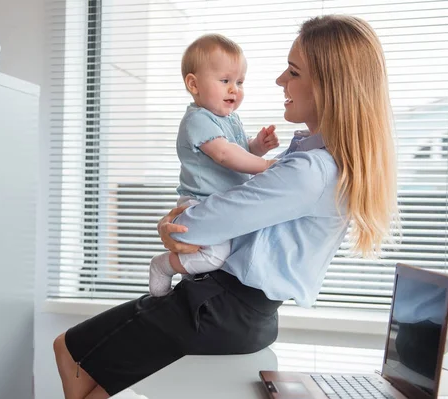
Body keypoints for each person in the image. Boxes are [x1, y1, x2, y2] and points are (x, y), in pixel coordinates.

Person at [53, 14, 399, 399]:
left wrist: (171, 224)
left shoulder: (311, 170)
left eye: (293, 72)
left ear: (327, 86)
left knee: (69, 350)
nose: (280, 81)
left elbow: (195, 229)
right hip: (231, 306)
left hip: (220, 306)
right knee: (91, 377)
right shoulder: (312, 157)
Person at [148, 33, 279, 297]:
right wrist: (265, 164)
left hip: (223, 203)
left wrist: (256, 146)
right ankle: (162, 266)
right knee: (214, 256)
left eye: (240, 82)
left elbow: (237, 152)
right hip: (200, 201)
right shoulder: (197, 120)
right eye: (225, 81)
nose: (235, 89)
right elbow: (224, 155)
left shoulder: (230, 119)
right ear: (194, 85)